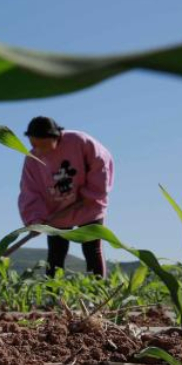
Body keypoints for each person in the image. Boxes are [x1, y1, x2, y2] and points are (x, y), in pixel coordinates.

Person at [17, 116, 114, 278]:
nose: (38, 150)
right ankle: (53, 296)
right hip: (56, 211)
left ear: (55, 137)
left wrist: (92, 193)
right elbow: (29, 190)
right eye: (34, 145)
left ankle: (98, 293)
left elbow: (101, 163)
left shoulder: (79, 142)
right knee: (56, 254)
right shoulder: (32, 159)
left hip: (87, 204)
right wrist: (35, 219)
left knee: (92, 248)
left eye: (42, 144)